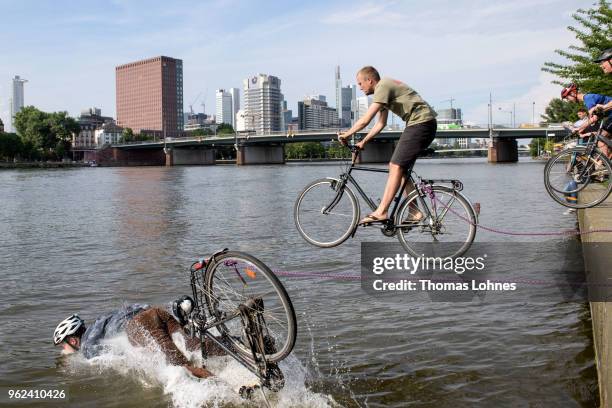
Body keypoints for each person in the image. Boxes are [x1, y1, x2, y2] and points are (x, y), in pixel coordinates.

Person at [338, 66, 437, 224]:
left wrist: (347, 134)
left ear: (369, 80)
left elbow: (366, 119)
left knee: (394, 166)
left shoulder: (383, 86)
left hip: (421, 123)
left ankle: (382, 211)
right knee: (401, 170)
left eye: (360, 83)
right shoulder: (383, 91)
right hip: (422, 123)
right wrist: (363, 142)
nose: (360, 87)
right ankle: (415, 212)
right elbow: (380, 124)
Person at [53, 298, 223, 378]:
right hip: (156, 311)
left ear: (73, 340)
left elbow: (114, 356)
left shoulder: (87, 347)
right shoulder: (101, 321)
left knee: (182, 367)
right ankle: (241, 347)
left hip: (139, 326)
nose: (64, 350)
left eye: (63, 345)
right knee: (193, 345)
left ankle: (229, 388)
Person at [561, 83, 612, 159]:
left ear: (572, 93)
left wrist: (579, 128)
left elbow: (594, 118)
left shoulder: (588, 99)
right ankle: (606, 163)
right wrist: (582, 128)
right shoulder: (587, 99)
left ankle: (605, 163)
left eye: (567, 98)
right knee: (605, 139)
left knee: (601, 138)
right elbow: (595, 117)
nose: (568, 100)